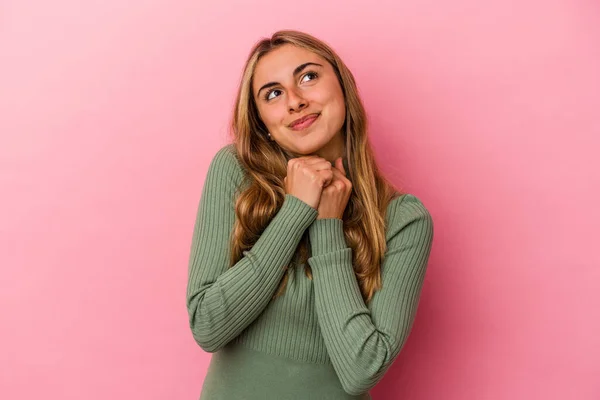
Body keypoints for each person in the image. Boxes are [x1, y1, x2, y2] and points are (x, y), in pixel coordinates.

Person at [186, 29, 434, 399]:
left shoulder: (405, 221)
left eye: (308, 77)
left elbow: (360, 370)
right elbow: (208, 325)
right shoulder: (236, 173)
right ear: (263, 124)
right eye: (273, 93)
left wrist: (327, 225)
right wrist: (296, 211)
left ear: (343, 87)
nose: (295, 101)